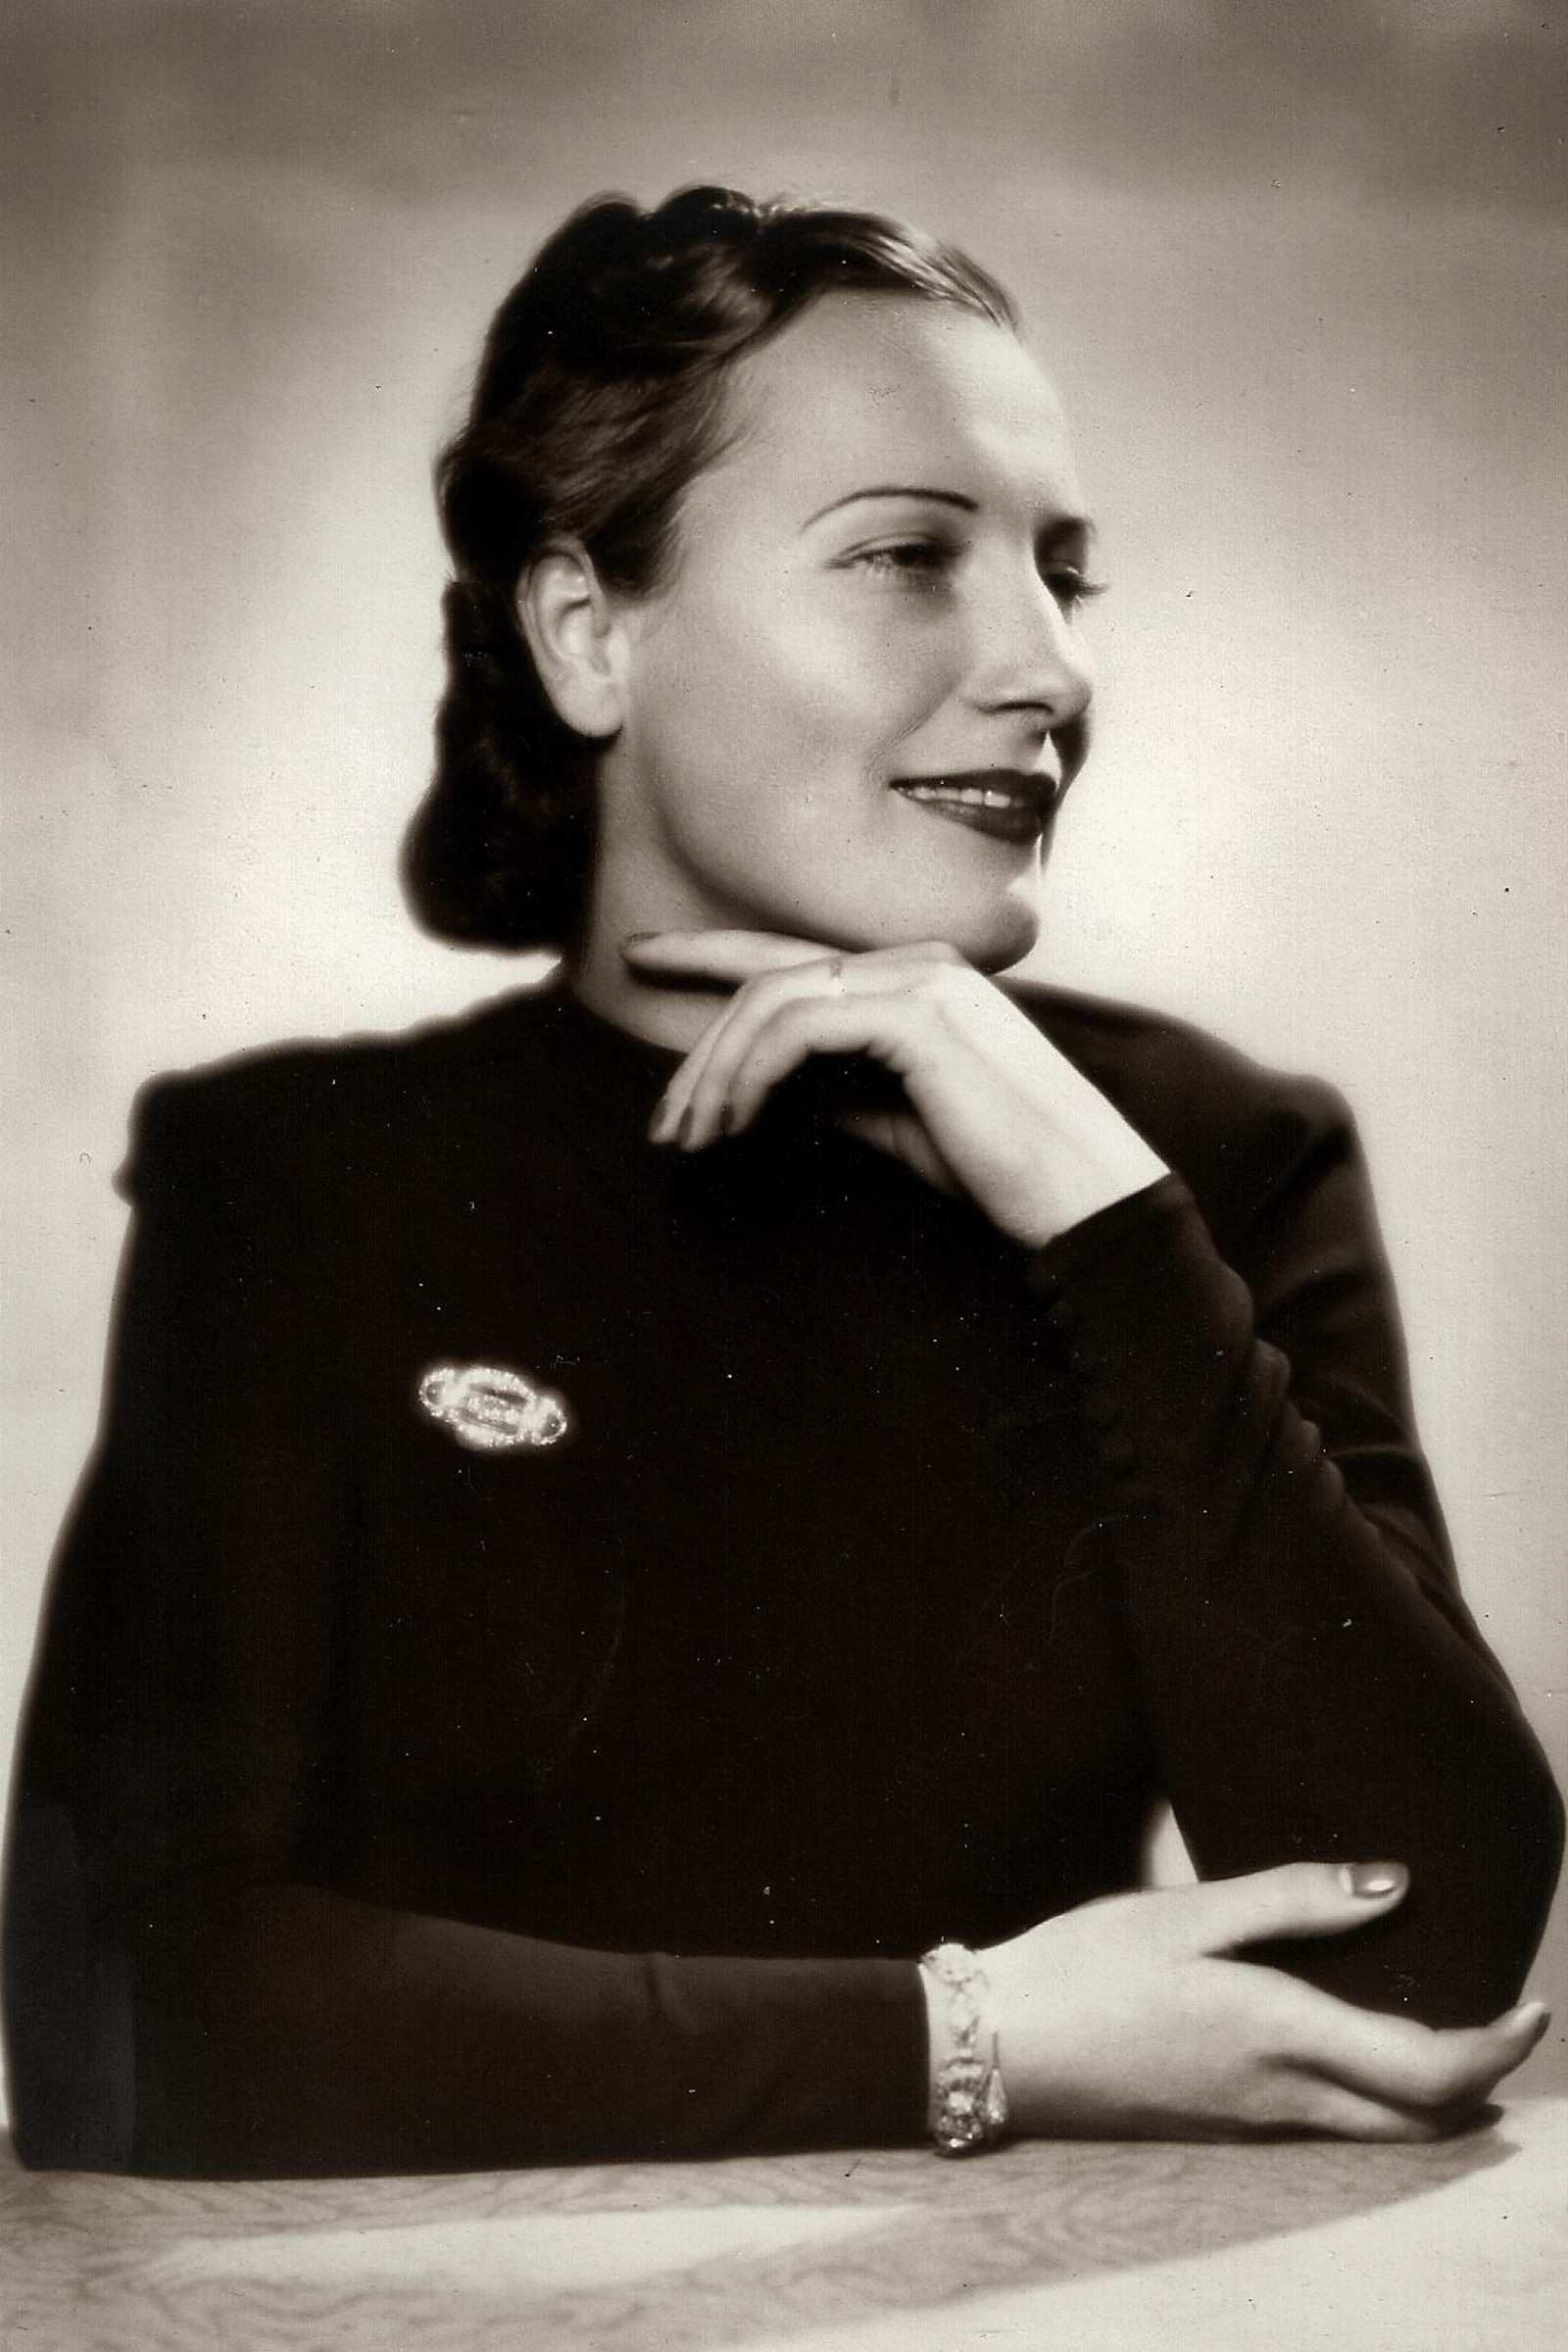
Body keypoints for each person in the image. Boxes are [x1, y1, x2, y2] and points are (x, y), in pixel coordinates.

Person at [3, 185, 1560, 2178]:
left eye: (1061, 576)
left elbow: (1425, 1963)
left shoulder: (1210, 1160)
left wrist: (1107, 1224)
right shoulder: (301, 1189)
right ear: (588, 634)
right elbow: (123, 2012)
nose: (1046, 670)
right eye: (907, 556)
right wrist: (961, 2040)